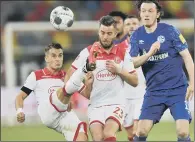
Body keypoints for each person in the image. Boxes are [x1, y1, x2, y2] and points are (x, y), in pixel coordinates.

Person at [65, 15, 138, 141]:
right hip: (95, 105)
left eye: (109, 33)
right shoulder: (88, 52)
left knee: (108, 134)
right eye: (102, 32)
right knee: (98, 138)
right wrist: (74, 94)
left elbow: (135, 81)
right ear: (99, 32)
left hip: (116, 103)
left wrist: (119, 70)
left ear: (115, 34)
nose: (105, 36)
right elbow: (69, 74)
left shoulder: (123, 52)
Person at [129, 0, 194, 141]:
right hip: (154, 92)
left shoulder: (170, 31)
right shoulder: (136, 36)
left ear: (157, 14)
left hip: (177, 90)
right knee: (140, 132)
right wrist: (149, 53)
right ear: (140, 14)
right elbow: (133, 63)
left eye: (150, 11)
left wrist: (193, 84)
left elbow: (188, 58)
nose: (146, 14)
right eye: (143, 11)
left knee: (182, 132)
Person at [15, 43, 93, 141]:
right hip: (47, 111)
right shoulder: (36, 75)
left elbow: (88, 95)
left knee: (81, 132)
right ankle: (84, 69)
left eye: (60, 55)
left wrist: (89, 84)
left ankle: (81, 73)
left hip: (64, 115)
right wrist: (19, 111)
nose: (58, 59)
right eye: (53, 56)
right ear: (46, 58)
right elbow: (20, 96)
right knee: (62, 91)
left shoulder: (67, 76)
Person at [122, 15, 146, 141]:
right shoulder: (118, 48)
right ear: (123, 28)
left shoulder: (147, 44)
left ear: (140, 26)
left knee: (139, 131)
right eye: (128, 24)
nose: (131, 26)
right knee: (131, 135)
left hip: (142, 94)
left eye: (134, 23)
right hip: (124, 96)